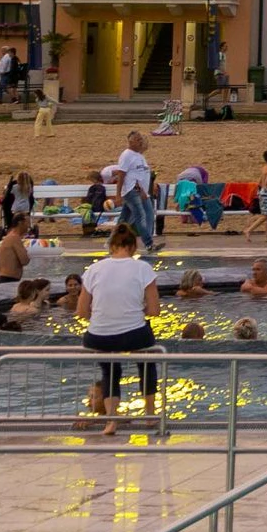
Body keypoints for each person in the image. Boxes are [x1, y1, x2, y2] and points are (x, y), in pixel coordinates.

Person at [77, 225, 159, 433]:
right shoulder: (143, 268)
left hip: (98, 335)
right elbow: (155, 310)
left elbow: (81, 311)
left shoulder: (94, 269)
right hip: (133, 334)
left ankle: (111, 420)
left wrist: (103, 318)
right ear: (132, 247)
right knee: (147, 362)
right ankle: (150, 415)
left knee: (110, 370)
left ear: (111, 246)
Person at [113, 131, 157, 251]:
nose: (140, 142)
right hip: (131, 190)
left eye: (140, 139)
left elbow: (139, 174)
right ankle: (149, 243)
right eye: (138, 140)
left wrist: (144, 190)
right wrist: (118, 195)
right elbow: (122, 175)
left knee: (124, 220)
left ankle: (112, 242)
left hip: (140, 191)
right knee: (141, 215)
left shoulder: (139, 156)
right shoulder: (126, 155)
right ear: (131, 142)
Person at [244, 149, 267, 242]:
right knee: (265, 215)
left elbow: (259, 182)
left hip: (262, 192)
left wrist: (259, 192)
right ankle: (249, 230)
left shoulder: (264, 168)